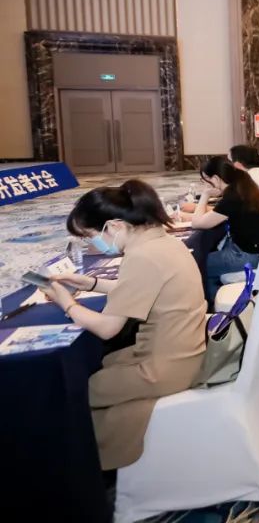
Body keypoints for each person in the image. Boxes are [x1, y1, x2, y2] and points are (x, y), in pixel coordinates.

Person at [45, 179, 206, 470]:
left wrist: (66, 303)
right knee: (105, 365)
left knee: (69, 391)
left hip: (162, 369)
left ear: (115, 226)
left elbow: (108, 328)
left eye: (90, 236)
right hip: (185, 354)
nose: (91, 244)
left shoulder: (142, 256)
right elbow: (142, 287)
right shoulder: (163, 242)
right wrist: (91, 283)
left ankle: (79, 468)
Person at [192, 156, 259, 300]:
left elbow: (197, 223)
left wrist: (205, 195)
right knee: (208, 256)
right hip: (257, 251)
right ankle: (216, 299)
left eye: (206, 181)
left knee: (197, 264)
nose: (206, 185)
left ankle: (216, 304)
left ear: (215, 178)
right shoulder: (244, 188)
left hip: (246, 256)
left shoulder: (232, 197)